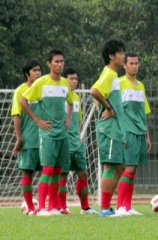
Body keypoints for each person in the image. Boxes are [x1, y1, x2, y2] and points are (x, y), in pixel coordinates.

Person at [20, 49, 73, 216]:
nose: (60, 64)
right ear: (49, 64)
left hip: (62, 134)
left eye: (62, 61)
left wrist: (69, 119)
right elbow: (23, 100)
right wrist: (37, 120)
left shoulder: (65, 83)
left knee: (58, 171)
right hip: (48, 134)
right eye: (56, 61)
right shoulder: (41, 83)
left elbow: (70, 102)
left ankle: (54, 207)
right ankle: (42, 207)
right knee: (48, 170)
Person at [90, 39, 127, 217]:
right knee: (111, 166)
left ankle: (107, 205)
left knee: (120, 166)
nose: (123, 55)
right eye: (120, 52)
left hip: (116, 127)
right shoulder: (109, 73)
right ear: (111, 56)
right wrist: (109, 108)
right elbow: (94, 90)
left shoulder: (113, 76)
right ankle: (104, 208)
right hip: (110, 127)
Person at [114, 52, 151, 216]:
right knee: (127, 169)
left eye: (137, 63)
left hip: (140, 132)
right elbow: (111, 106)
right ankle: (119, 206)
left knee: (133, 170)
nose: (134, 66)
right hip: (127, 131)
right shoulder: (119, 83)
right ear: (124, 65)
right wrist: (120, 132)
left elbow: (144, 112)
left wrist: (147, 135)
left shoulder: (141, 85)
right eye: (131, 63)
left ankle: (128, 206)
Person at [57, 68, 97, 215]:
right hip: (63, 143)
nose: (74, 81)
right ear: (64, 79)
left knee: (83, 174)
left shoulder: (77, 98)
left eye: (76, 79)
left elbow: (78, 121)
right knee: (63, 175)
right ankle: (62, 207)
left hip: (76, 143)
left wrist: (78, 138)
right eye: (71, 78)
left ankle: (85, 207)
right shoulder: (59, 97)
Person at [11, 59, 42, 215]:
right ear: (27, 74)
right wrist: (19, 138)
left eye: (39, 70)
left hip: (45, 139)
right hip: (29, 139)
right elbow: (16, 115)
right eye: (34, 70)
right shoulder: (20, 91)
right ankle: (30, 208)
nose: (38, 73)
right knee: (27, 173)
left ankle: (44, 206)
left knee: (48, 172)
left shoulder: (43, 89)